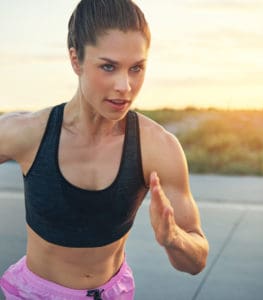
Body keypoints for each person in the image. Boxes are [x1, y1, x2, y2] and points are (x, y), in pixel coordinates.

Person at [0, 0, 209, 299]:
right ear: (76, 60)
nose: (125, 86)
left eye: (136, 68)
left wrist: (173, 238)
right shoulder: (27, 132)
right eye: (108, 67)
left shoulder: (159, 147)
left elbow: (196, 261)